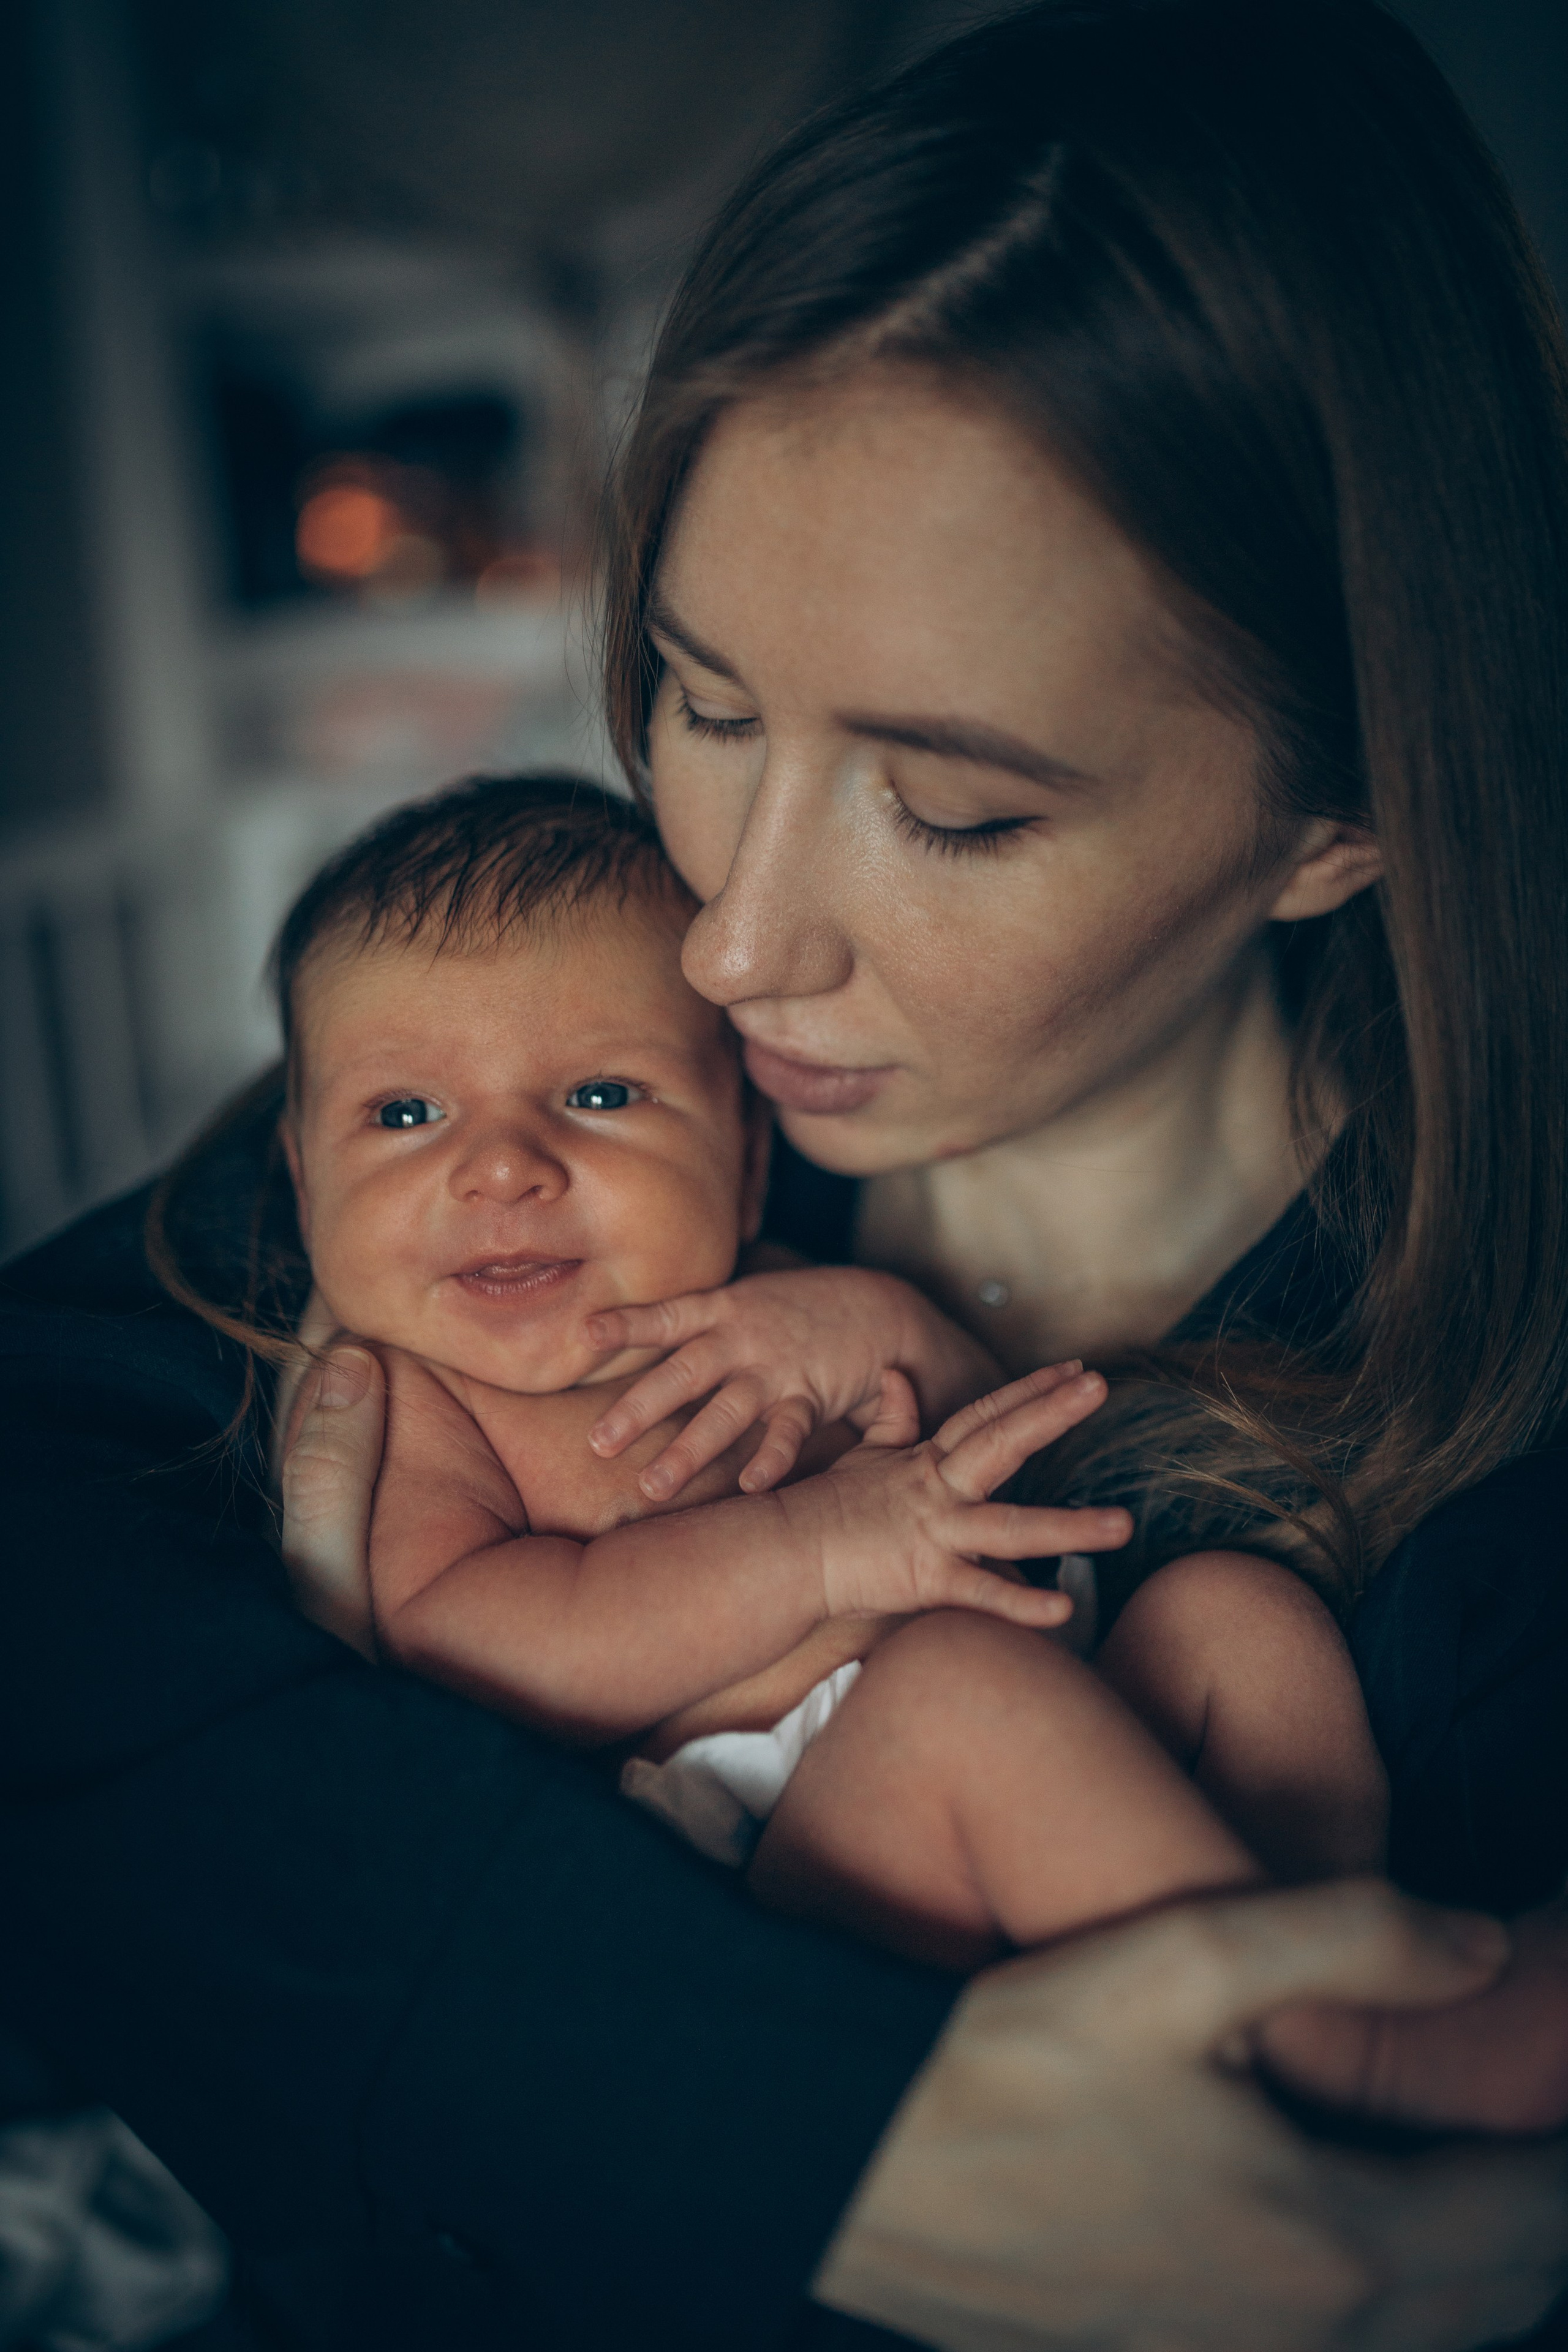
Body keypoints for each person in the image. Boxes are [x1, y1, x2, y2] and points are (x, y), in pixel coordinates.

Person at [3, 3, 1568, 2348]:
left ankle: (1358, 2014)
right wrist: (794, 2134)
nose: (731, 934)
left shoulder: (1497, 1440)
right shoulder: (535, 1111)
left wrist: (328, 1782)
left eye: (950, 804)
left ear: (1340, 820)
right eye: (706, 704)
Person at [186, 772, 1381, 1962]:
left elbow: (992, 1467)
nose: (502, 1169)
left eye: (599, 1094)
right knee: (957, 1700)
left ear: (744, 1162)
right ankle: (1314, 2040)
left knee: (1236, 1615)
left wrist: (893, 1330)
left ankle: (1355, 1955)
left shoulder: (769, 1288)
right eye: (404, 1114)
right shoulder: (406, 1396)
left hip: (1031, 1705)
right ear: (302, 1181)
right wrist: (814, 1550)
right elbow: (474, 1647)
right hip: (771, 1859)